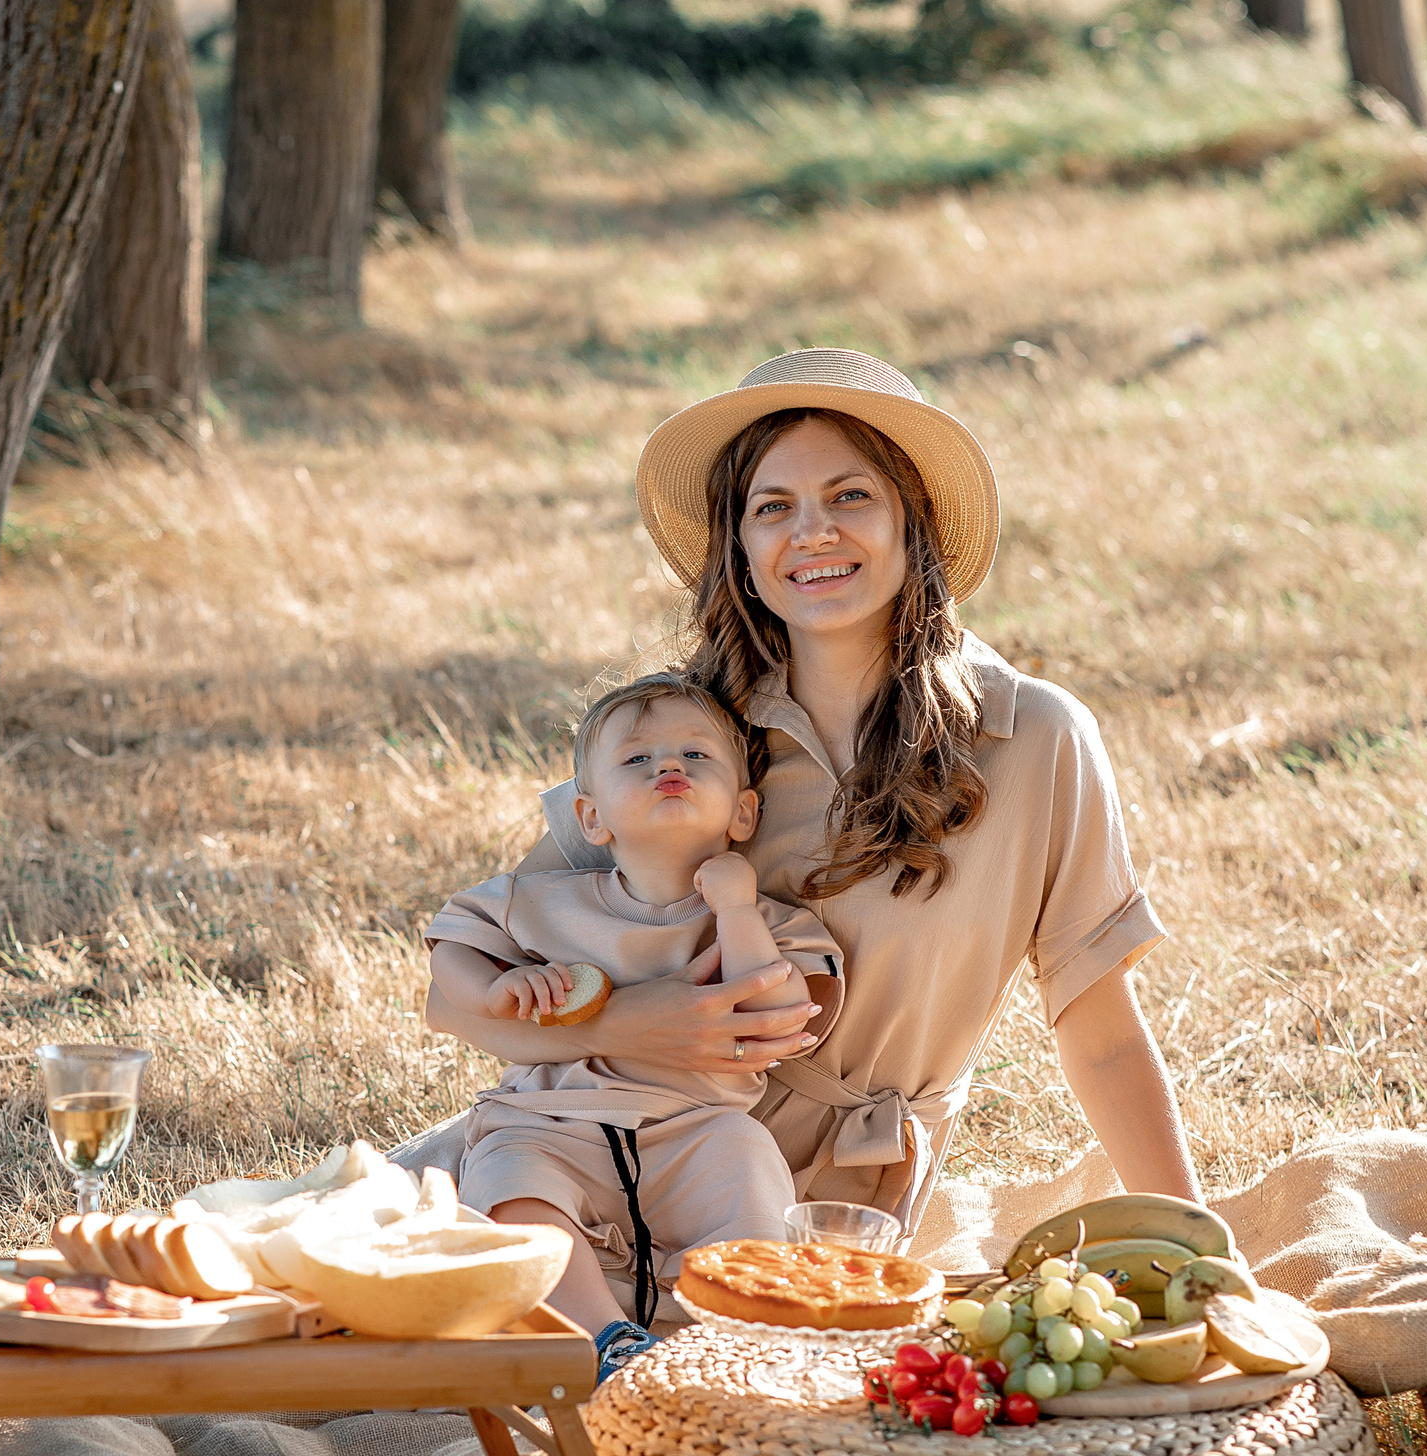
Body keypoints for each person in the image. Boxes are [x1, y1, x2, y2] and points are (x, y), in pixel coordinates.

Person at [411, 347, 1199, 1341]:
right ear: (736, 545)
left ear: (913, 518)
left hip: (822, 1211)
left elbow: (1105, 1031)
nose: (811, 531)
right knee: (300, 1286)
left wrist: (1202, 1254)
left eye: (848, 494)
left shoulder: (1032, 737)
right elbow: (463, 990)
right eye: (771, 506)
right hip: (587, 1154)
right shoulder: (684, 739)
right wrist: (625, 1027)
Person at [425, 673, 843, 1381]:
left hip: (695, 1123)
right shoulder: (544, 901)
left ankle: (745, 1336)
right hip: (550, 1122)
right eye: (637, 760)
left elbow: (778, 1011)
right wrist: (497, 986)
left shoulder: (765, 922)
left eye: (694, 755)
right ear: (592, 819)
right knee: (508, 1188)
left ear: (744, 814)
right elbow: (451, 952)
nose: (669, 767)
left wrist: (738, 910)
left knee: (748, 1165)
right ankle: (606, 1340)